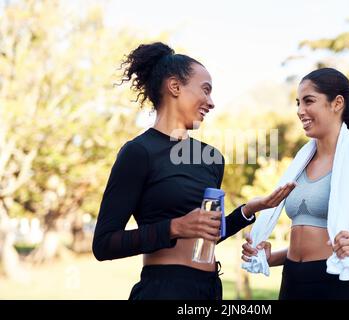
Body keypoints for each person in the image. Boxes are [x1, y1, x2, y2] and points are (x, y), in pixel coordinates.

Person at [92, 42, 296, 300]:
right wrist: (175, 227)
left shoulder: (212, 158)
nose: (211, 103)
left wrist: (249, 210)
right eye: (206, 90)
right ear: (175, 87)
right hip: (164, 290)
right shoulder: (138, 152)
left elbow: (208, 235)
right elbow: (104, 244)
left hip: (210, 289)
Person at [241, 68, 349, 300]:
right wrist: (269, 257)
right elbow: (306, 242)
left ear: (337, 103)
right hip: (293, 281)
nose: (300, 111)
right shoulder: (301, 162)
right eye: (298, 103)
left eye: (309, 101)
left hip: (338, 285)